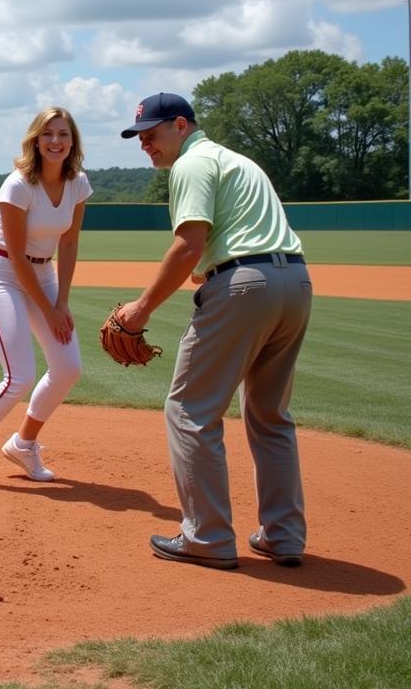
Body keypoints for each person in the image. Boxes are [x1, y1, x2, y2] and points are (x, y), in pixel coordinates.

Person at [116, 93, 312, 571]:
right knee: (269, 414)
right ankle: (283, 536)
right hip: (296, 282)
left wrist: (140, 310)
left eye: (154, 133)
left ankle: (206, 537)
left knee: (188, 410)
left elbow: (189, 246)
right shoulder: (239, 162)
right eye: (140, 137)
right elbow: (239, 239)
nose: (146, 144)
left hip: (245, 286)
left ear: (181, 126)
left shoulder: (192, 165)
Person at [0, 107, 91, 494]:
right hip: (2, 273)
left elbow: (70, 240)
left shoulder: (78, 183)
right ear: (35, 140)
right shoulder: (17, 185)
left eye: (63, 134)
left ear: (72, 141)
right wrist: (48, 309)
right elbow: (14, 254)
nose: (56, 141)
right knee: (20, 377)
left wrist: (62, 301)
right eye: (48, 134)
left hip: (44, 274)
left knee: (68, 368)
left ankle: (23, 445)